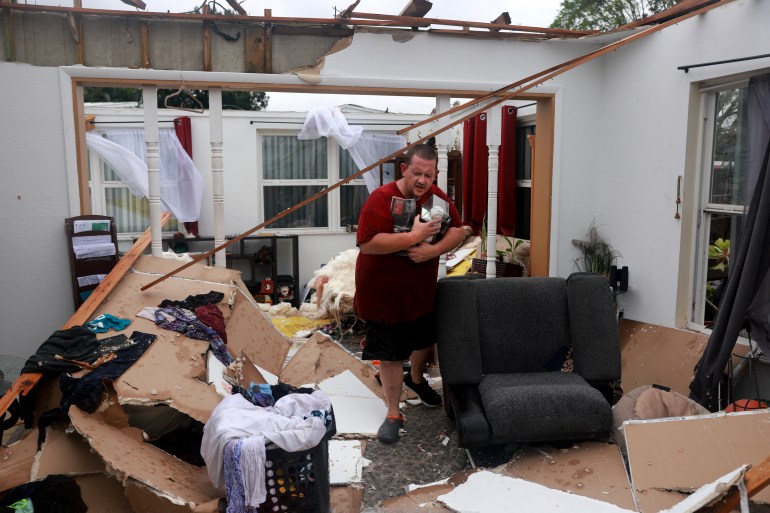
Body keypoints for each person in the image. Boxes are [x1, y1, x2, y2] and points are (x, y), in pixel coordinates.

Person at [354, 143, 465, 444]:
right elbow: (367, 243)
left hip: (419, 294)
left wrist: (434, 249)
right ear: (404, 169)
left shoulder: (437, 199)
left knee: (423, 341)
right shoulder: (381, 198)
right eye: (416, 173)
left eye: (428, 175)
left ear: (435, 175)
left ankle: (415, 379)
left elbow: (459, 229)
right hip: (383, 296)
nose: (421, 180)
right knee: (390, 354)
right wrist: (413, 237)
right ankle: (393, 413)